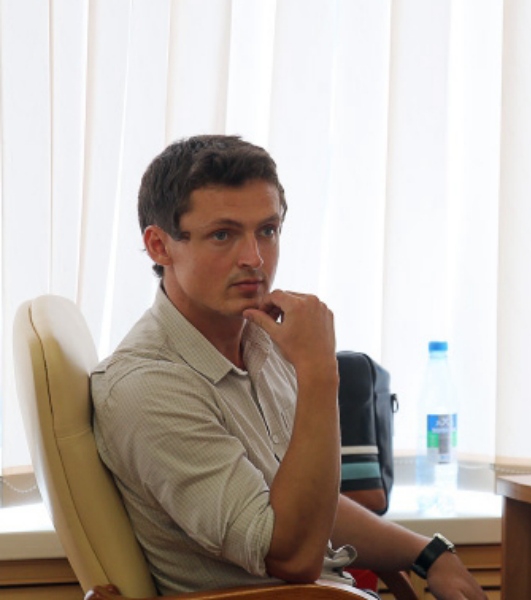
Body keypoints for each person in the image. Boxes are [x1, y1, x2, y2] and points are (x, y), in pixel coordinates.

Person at [91, 134, 486, 599]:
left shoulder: (258, 338)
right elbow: (292, 556)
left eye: (267, 230)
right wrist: (319, 373)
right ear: (160, 246)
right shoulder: (147, 386)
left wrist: (428, 553)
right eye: (223, 235)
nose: (254, 259)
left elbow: (306, 504)